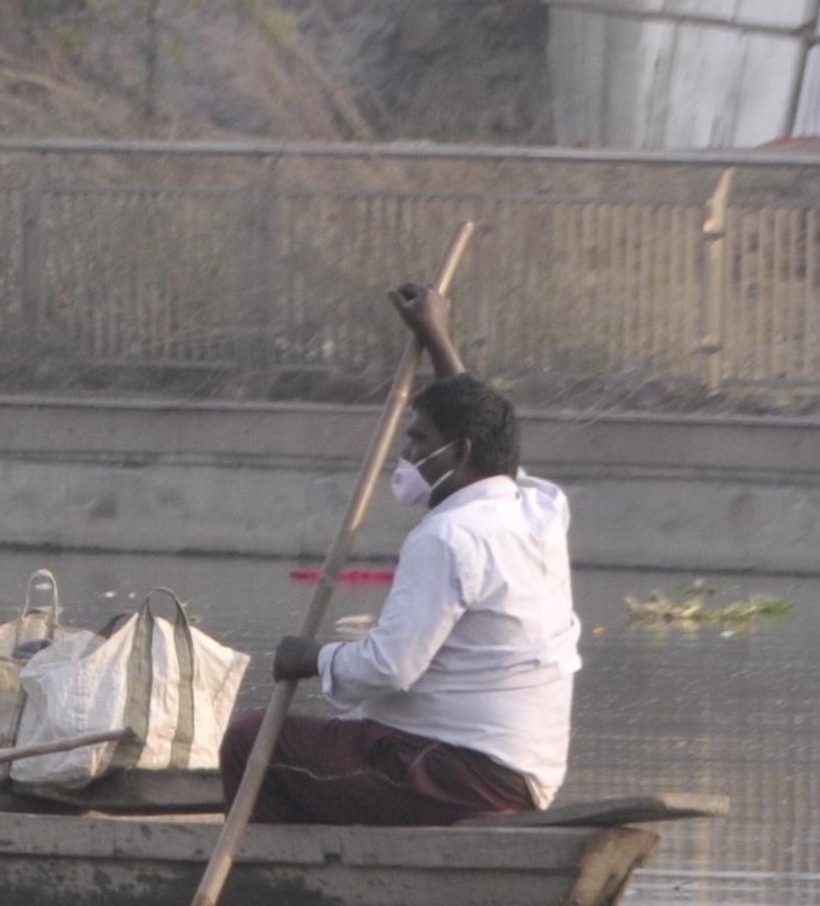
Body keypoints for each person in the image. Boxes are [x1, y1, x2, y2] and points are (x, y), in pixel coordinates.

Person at [234, 282, 578, 823]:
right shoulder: (540, 508)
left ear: (458, 452)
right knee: (334, 740)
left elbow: (389, 667)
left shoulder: (448, 537)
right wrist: (436, 336)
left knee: (252, 740)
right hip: (524, 773)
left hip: (455, 774)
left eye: (418, 440)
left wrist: (312, 658)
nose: (408, 453)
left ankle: (283, 869)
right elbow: (482, 429)